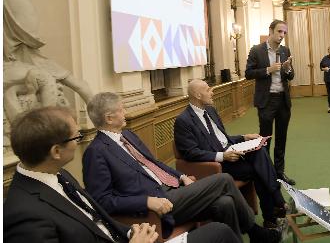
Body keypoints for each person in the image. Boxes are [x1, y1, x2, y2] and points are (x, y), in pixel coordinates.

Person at [82, 92, 279, 243]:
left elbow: (155, 164)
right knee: (224, 180)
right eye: (121, 109)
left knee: (226, 203)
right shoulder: (96, 152)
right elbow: (101, 200)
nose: (125, 113)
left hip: (173, 189)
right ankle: (255, 232)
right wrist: (146, 201)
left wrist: (181, 175)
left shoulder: (128, 136)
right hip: (158, 204)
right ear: (108, 118)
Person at [4, 106, 154, 243]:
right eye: (77, 137)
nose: (78, 142)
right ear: (56, 151)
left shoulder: (59, 173)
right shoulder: (24, 216)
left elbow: (99, 222)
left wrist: (130, 232)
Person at [174, 79, 287, 228]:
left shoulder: (210, 111)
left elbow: (223, 139)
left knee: (259, 151)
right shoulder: (183, 121)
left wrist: (244, 137)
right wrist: (222, 156)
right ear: (197, 95)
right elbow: (191, 153)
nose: (212, 92)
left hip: (231, 153)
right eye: (208, 90)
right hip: (217, 165)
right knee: (258, 169)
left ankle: (273, 211)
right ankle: (276, 205)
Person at [245, 19, 295, 185]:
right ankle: (266, 175)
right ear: (271, 31)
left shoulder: (285, 50)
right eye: (279, 32)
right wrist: (268, 70)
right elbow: (248, 73)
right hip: (266, 101)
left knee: (281, 139)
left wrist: (287, 68)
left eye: (284, 33)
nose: (282, 35)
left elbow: (290, 76)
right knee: (266, 139)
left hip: (283, 100)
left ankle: (279, 173)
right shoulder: (256, 50)